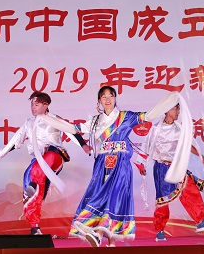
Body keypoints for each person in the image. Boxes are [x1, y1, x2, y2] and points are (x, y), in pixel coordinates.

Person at [70, 86, 176, 247]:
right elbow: (73, 129)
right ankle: (111, 242)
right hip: (102, 166)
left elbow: (147, 116)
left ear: (115, 98)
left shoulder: (126, 117)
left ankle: (98, 235)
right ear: (99, 101)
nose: (108, 99)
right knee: (103, 198)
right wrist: (83, 145)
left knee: (115, 196)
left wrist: (169, 101)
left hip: (121, 165)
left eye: (111, 96)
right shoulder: (95, 121)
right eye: (104, 97)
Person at [0, 91, 91, 235]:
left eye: (36, 104)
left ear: (45, 105)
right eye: (31, 104)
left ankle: (34, 184)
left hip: (54, 156)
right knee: (29, 183)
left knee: (39, 167)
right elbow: (15, 141)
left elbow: (71, 131)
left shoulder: (54, 119)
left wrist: (84, 146)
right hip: (38, 161)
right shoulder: (29, 123)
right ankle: (34, 226)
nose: (33, 107)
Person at [140, 101, 204, 242]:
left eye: (178, 109)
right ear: (166, 110)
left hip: (176, 166)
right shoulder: (156, 129)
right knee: (163, 200)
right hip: (161, 168)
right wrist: (142, 164)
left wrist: (200, 155)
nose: (178, 112)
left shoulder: (179, 128)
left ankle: (200, 221)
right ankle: (160, 230)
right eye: (175, 109)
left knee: (190, 189)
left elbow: (187, 145)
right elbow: (146, 146)